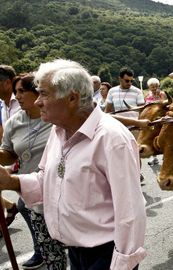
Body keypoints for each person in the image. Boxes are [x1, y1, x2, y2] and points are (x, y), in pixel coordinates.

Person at [0, 59, 147, 269]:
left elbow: (130, 212)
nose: (37, 102)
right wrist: (10, 181)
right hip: (76, 251)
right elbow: (47, 180)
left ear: (71, 98)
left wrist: (123, 264)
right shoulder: (58, 130)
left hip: (107, 255)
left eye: (44, 94)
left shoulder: (112, 139)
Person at [2, 73, 67, 269]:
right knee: (51, 252)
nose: (18, 96)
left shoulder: (56, 116)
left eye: (22, 91)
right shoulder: (14, 122)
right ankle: (42, 252)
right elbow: (9, 154)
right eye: (16, 92)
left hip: (64, 190)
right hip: (35, 193)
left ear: (37, 92)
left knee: (77, 245)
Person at [0, 65, 20, 227]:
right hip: (10, 155)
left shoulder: (22, 101)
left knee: (32, 207)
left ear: (7, 83)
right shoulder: (3, 104)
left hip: (26, 158)